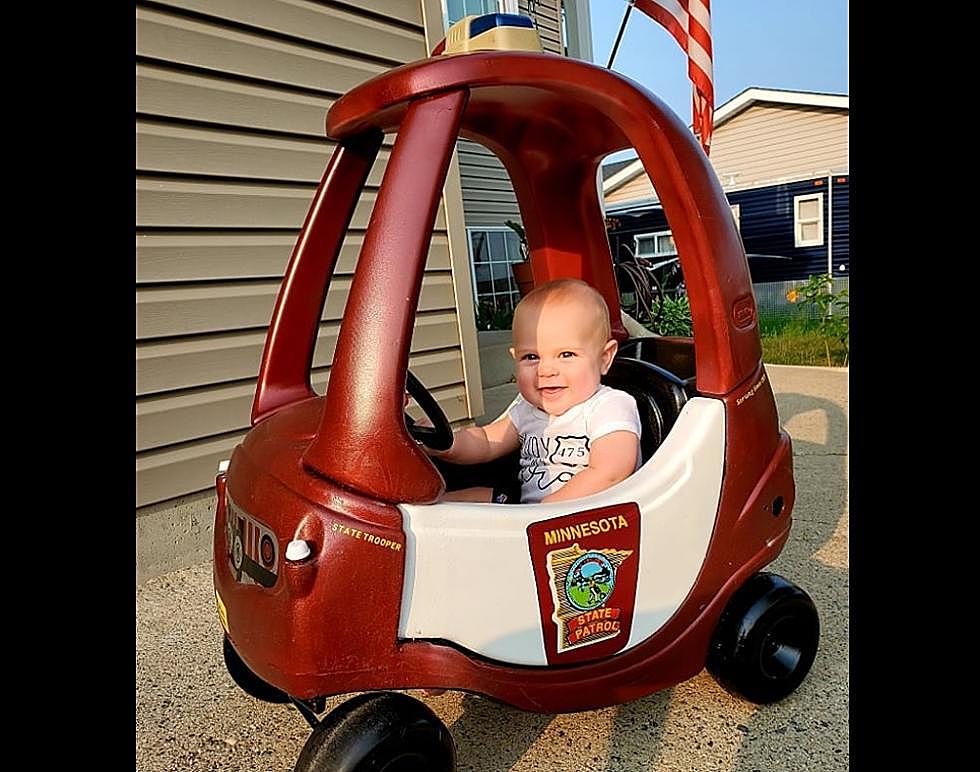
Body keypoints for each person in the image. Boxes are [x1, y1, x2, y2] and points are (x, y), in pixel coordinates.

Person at [428, 278, 642, 504]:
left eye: (566, 355)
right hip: (527, 513)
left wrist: (543, 511)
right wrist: (446, 444)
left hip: (587, 523)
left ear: (604, 358)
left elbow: (611, 472)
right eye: (531, 357)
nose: (546, 370)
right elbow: (487, 441)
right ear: (515, 358)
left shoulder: (610, 406)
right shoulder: (527, 408)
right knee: (446, 503)